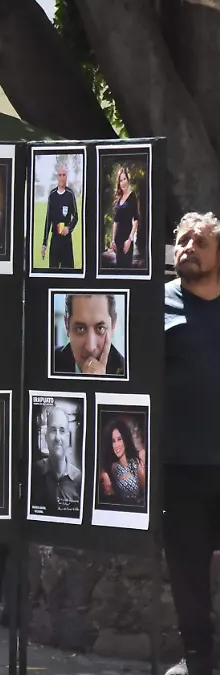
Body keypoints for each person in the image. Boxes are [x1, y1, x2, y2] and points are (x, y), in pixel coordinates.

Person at [163, 212, 220, 675]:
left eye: (199, 241)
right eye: (182, 240)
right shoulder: (153, 305)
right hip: (178, 466)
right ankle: (197, 657)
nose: (188, 248)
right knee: (186, 570)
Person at [52, 294, 127, 376]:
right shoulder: (47, 363)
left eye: (100, 328)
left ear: (113, 325)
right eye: (80, 328)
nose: (90, 348)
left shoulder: (128, 373)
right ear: (67, 325)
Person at [32, 405, 80, 518]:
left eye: (62, 430)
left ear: (68, 438)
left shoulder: (79, 479)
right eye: (53, 430)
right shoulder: (34, 472)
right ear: (46, 437)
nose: (58, 437)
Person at [98, 418, 145, 506]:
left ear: (125, 439)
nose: (116, 445)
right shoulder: (110, 469)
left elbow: (145, 493)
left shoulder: (136, 462)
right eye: (113, 441)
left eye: (119, 439)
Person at [40, 164, 79, 269]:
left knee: (68, 272)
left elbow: (76, 216)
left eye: (64, 175)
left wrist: (69, 228)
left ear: (67, 177)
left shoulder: (70, 194)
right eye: (60, 175)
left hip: (66, 240)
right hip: (55, 239)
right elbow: (48, 220)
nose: (62, 178)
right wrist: (44, 244)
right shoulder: (52, 195)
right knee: (53, 270)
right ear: (57, 177)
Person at [106, 166, 140, 269]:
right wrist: (112, 241)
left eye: (124, 179)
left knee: (126, 269)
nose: (123, 182)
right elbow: (115, 221)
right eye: (121, 180)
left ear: (128, 180)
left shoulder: (132, 197)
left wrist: (130, 239)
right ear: (119, 183)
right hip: (117, 241)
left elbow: (136, 219)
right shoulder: (118, 199)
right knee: (119, 269)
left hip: (127, 241)